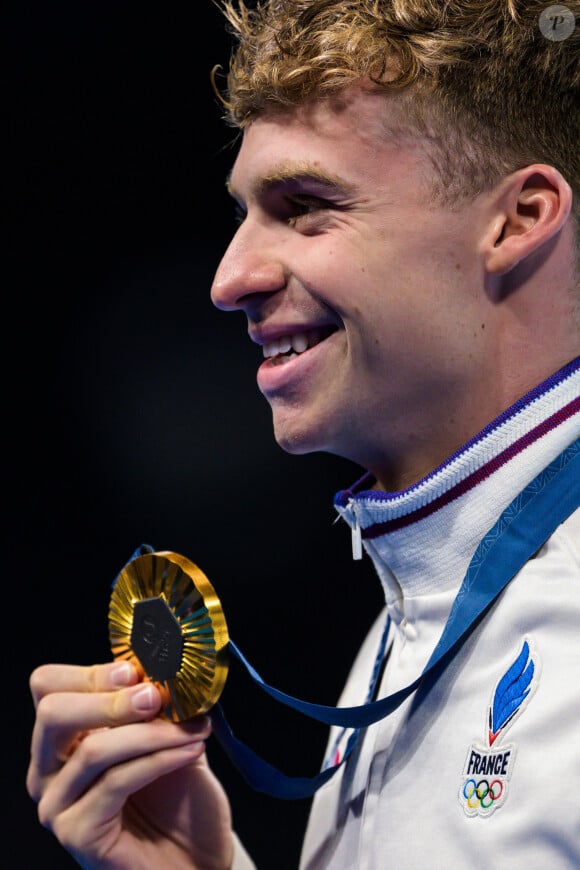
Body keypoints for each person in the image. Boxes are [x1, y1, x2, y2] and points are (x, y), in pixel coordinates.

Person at [27, 1, 580, 867]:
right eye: (246, 212)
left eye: (307, 205)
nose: (229, 278)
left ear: (516, 220)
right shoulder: (423, 604)